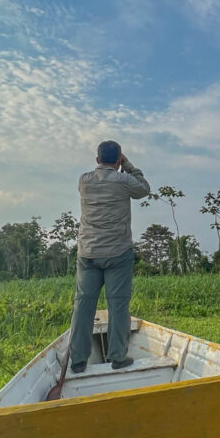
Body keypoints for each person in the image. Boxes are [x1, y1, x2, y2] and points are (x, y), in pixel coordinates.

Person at [70, 140, 150, 373]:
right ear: (118, 160)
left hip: (88, 254)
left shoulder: (84, 180)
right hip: (118, 253)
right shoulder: (124, 180)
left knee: (83, 306)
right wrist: (128, 165)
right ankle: (117, 357)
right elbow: (144, 188)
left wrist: (117, 164)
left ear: (97, 160)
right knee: (118, 306)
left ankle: (78, 361)